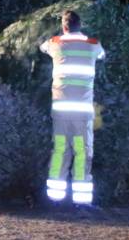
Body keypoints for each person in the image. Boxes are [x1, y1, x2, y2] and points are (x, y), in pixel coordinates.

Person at [39, 11, 105, 206]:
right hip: (82, 113)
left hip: (60, 112)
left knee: (60, 150)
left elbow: (42, 47)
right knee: (82, 151)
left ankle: (55, 198)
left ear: (64, 25)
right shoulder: (93, 45)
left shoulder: (55, 42)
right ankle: (81, 200)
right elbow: (103, 55)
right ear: (80, 24)